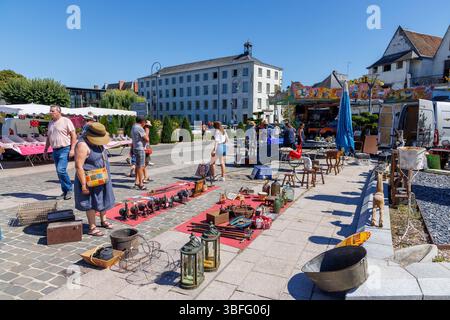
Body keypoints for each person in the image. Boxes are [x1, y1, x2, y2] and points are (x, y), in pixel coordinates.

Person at [74, 123, 115, 237]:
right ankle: (92, 227)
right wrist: (83, 185)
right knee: (91, 202)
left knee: (103, 198)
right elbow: (79, 166)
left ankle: (103, 220)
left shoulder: (98, 144)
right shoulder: (82, 145)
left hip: (102, 177)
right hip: (89, 180)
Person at [44, 105, 77, 200]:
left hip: (64, 149)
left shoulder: (66, 121)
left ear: (59, 112)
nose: (50, 112)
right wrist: (45, 150)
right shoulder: (50, 123)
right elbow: (48, 138)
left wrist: (72, 149)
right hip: (55, 150)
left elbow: (73, 135)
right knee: (59, 173)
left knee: (61, 170)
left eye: (52, 111)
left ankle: (69, 189)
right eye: (50, 111)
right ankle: (65, 191)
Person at [131, 116, 149, 190]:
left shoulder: (133, 126)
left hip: (135, 147)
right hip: (140, 148)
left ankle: (136, 182)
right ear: (142, 122)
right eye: (145, 122)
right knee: (141, 166)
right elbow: (147, 139)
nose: (145, 124)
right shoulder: (139, 128)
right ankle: (141, 184)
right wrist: (147, 131)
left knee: (137, 166)